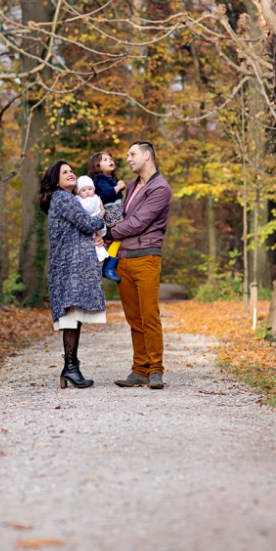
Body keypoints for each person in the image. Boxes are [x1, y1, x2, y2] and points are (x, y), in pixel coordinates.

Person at [107, 141, 172, 390]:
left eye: (132, 154)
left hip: (146, 258)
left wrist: (109, 233)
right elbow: (123, 216)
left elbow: (138, 222)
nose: (128, 158)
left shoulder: (160, 187)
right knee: (134, 318)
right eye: (127, 155)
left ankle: (155, 369)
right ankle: (139, 370)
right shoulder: (133, 185)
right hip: (124, 259)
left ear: (146, 156)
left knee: (149, 316)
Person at [39, 161, 107, 389]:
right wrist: (102, 215)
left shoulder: (65, 199)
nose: (70, 174)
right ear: (55, 180)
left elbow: (80, 229)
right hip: (69, 268)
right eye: (64, 172)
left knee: (73, 317)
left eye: (71, 171)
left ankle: (71, 366)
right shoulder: (63, 198)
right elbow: (87, 223)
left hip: (66, 266)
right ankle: (70, 367)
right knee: (71, 318)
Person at [89, 151, 126, 282]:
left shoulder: (110, 179)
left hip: (115, 214)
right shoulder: (100, 180)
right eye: (105, 160)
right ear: (98, 166)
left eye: (110, 159)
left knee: (118, 240)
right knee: (118, 237)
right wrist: (119, 186)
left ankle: (108, 265)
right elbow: (109, 193)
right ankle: (108, 267)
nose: (110, 161)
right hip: (111, 215)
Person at [75, 175, 108, 266]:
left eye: (90, 189)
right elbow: (88, 209)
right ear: (79, 192)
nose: (87, 192)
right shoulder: (78, 200)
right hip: (89, 224)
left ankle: (100, 260)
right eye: (83, 190)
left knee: (97, 243)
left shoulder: (96, 198)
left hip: (97, 223)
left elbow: (95, 209)